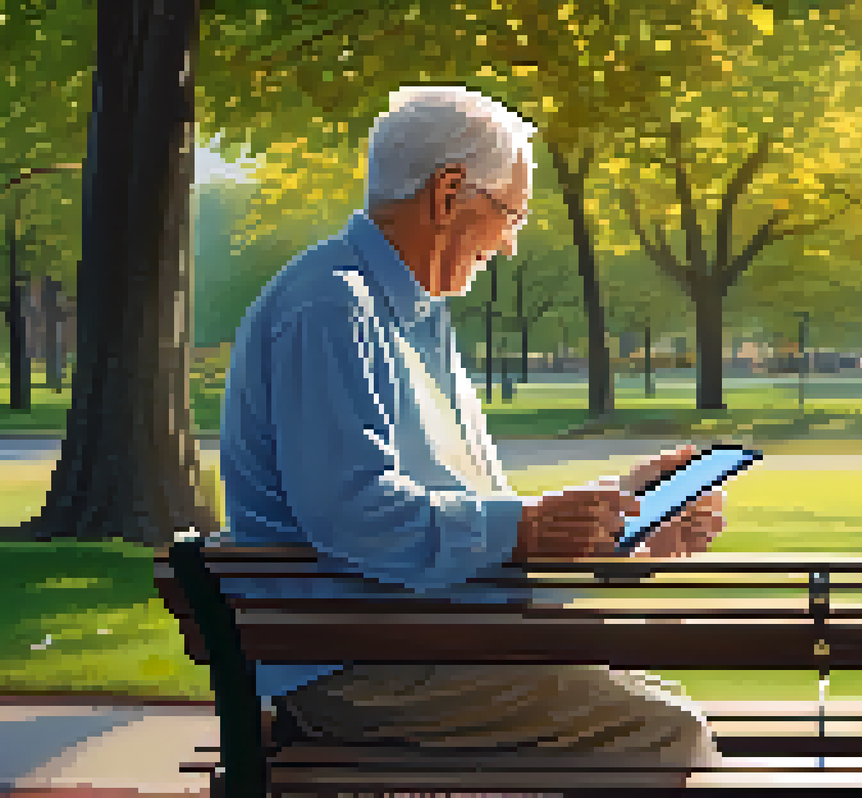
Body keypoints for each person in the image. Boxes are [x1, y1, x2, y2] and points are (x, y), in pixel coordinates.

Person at [219, 86, 724, 778]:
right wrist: (526, 529)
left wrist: (625, 517)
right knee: (662, 731)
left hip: (409, 642)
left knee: (660, 711)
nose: (512, 244)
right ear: (448, 192)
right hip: (358, 665)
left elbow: (469, 513)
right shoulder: (333, 307)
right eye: (510, 214)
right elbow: (354, 513)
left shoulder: (412, 315)